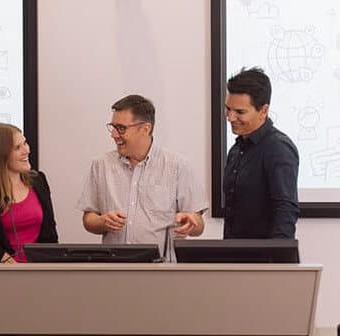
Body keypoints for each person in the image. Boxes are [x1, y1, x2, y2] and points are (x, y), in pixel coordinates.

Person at [78, 94, 206, 260]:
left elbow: (199, 225)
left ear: (145, 128)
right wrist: (102, 222)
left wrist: (191, 222)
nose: (114, 135)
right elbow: (89, 219)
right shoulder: (101, 164)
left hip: (161, 272)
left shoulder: (177, 166)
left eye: (121, 128)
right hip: (113, 270)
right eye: (113, 127)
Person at [223, 67, 300, 239]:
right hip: (234, 257)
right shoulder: (236, 150)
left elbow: (285, 209)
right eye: (228, 109)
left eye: (240, 112)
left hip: (266, 260)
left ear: (263, 110)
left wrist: (277, 259)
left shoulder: (278, 148)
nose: (230, 117)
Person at [0, 123, 58, 263]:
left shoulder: (38, 181)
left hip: (38, 270)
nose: (26, 150)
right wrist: (12, 266)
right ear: (0, 154)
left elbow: (50, 235)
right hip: (0, 271)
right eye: (17, 148)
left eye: (25, 143)